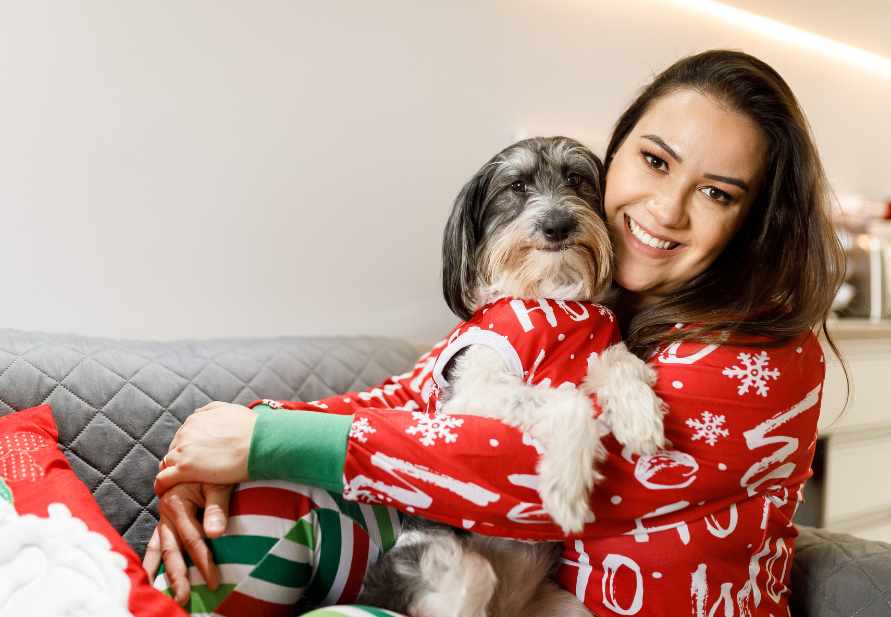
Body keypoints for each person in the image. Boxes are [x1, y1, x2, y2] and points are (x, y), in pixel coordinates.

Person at [144, 49, 845, 617]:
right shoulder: (599, 307)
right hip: (501, 593)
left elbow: (524, 478)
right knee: (261, 503)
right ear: (618, 150)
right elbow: (414, 394)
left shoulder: (765, 356)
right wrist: (226, 442)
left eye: (717, 192)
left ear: (758, 220)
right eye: (654, 161)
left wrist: (269, 442)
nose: (665, 208)